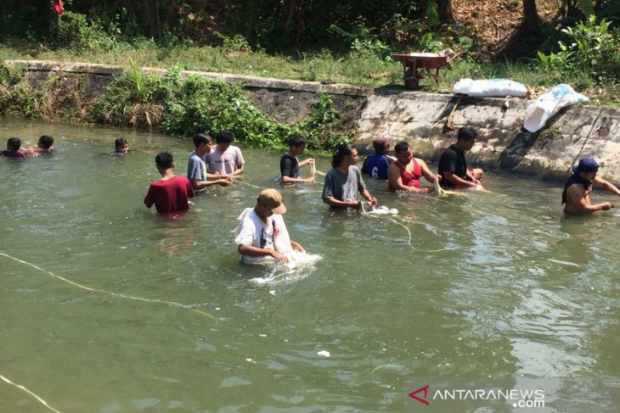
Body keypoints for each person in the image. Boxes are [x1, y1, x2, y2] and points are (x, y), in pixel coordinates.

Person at [235, 188, 305, 264]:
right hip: (256, 264)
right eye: (271, 211)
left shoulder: (273, 216)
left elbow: (271, 237)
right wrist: (269, 252)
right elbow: (242, 248)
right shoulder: (249, 222)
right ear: (262, 206)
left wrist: (291, 243)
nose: (273, 213)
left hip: (272, 256)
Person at [322, 146, 378, 210]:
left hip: (354, 210)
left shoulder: (355, 170)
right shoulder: (331, 174)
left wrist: (370, 200)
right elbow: (327, 199)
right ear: (346, 158)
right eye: (355, 156)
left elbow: (362, 189)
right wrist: (348, 204)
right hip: (338, 213)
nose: (358, 157)